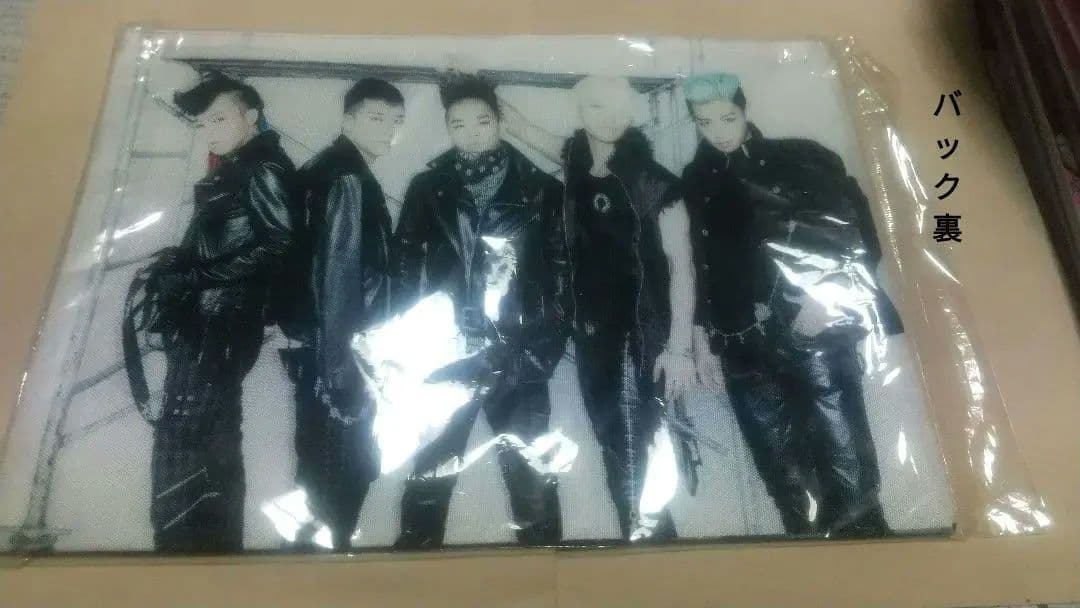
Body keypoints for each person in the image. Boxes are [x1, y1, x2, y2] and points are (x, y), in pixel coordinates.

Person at [680, 72, 904, 538]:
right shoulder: (697, 177)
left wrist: (825, 302)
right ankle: (812, 567)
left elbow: (858, 236)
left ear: (744, 110)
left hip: (811, 335)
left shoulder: (801, 157)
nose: (719, 131)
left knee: (848, 479)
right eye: (706, 122)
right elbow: (702, 262)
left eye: (728, 117)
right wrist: (701, 339)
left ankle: (874, 563)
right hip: (738, 344)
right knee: (786, 483)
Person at [501, 76, 695, 542]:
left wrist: (679, 348)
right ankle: (648, 547)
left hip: (638, 335)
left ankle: (654, 550)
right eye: (595, 107)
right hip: (593, 337)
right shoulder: (576, 163)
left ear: (630, 112)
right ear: (580, 111)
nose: (608, 118)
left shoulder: (654, 182)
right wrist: (467, 80)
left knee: (632, 447)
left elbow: (682, 267)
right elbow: (517, 126)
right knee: (615, 443)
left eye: (616, 108)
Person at [391, 74, 569, 549]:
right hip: (449, 354)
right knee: (431, 473)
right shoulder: (428, 187)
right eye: (458, 124)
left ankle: (547, 575)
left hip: (518, 354)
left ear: (499, 122)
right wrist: (413, 343)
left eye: (482, 121)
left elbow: (562, 276)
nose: (470, 133)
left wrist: (542, 352)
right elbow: (404, 267)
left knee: (531, 479)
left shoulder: (541, 190)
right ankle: (410, 575)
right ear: (447, 128)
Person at [127, 73, 296, 552]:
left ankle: (184, 551)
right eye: (202, 123)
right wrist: (181, 268)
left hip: (219, 325)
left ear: (252, 116)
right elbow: (231, 237)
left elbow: (279, 242)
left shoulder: (263, 167)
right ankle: (213, 550)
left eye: (219, 118)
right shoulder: (243, 164)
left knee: (186, 435)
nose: (209, 130)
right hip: (212, 323)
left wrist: (196, 276)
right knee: (210, 436)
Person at [281, 78, 406, 551]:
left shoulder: (327, 169)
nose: (388, 130)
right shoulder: (348, 180)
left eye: (396, 121)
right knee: (340, 479)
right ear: (348, 121)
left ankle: (308, 566)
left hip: (325, 354)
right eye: (376, 118)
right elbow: (337, 281)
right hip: (341, 359)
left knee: (319, 478)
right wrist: (343, 380)